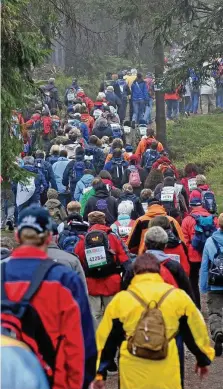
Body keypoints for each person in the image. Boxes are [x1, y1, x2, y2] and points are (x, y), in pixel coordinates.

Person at [1, 205, 96, 389]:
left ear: (17, 236)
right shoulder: (64, 280)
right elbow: (82, 343)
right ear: (48, 237)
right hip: (54, 379)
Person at [93, 253, 214, 389]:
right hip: (167, 367)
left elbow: (105, 339)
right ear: (159, 270)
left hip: (132, 371)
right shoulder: (178, 296)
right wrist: (202, 358)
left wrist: (99, 373)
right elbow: (195, 330)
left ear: (135, 272)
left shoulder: (121, 300)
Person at [182, 197, 218, 309]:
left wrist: (189, 252)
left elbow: (185, 241)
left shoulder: (187, 220)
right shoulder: (214, 219)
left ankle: (197, 307)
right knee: (214, 279)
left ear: (191, 206)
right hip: (211, 255)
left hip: (194, 257)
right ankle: (213, 305)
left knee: (193, 280)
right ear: (202, 205)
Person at [200, 213, 223, 356]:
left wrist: (203, 285)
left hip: (215, 283)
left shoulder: (210, 241)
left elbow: (204, 266)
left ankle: (218, 332)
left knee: (215, 312)